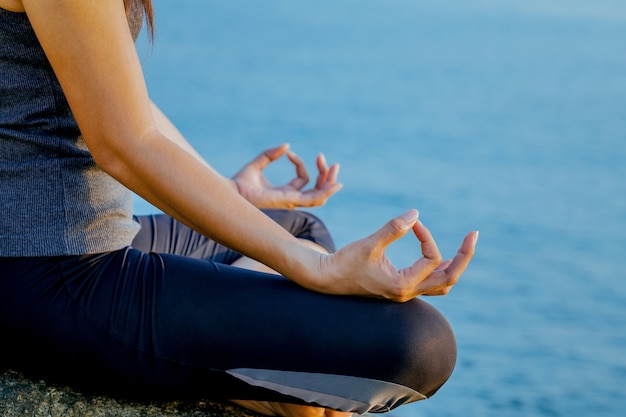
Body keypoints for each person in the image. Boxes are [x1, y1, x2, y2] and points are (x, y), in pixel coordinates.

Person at [0, 1, 478, 416]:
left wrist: (227, 196)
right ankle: (259, 389)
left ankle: (264, 380)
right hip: (47, 270)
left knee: (301, 226)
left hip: (59, 240)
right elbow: (124, 144)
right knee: (420, 345)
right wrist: (315, 267)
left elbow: (129, 107)